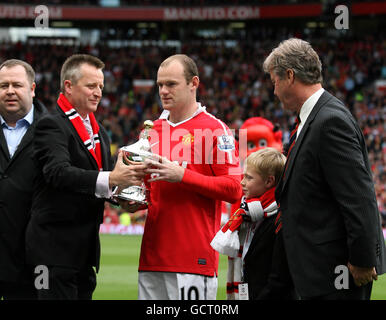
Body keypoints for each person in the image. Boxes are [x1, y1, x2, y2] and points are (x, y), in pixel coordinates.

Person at [263, 38, 386, 300]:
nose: (273, 91)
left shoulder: (329, 121)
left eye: (274, 81)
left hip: (335, 274)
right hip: (317, 271)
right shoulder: (315, 118)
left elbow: (358, 196)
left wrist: (363, 259)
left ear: (289, 75)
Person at [25, 54, 146, 300]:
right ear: (68, 86)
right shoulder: (51, 125)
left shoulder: (99, 130)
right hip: (53, 252)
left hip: (85, 251)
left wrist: (121, 196)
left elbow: (99, 182)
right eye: (91, 86)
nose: (98, 92)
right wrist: (112, 179)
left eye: (101, 86)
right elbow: (57, 173)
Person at [132, 54, 242, 300]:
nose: (163, 91)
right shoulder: (151, 131)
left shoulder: (216, 130)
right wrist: (132, 200)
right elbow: (147, 191)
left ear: (194, 83)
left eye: (171, 84)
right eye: (160, 84)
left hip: (193, 259)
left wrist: (183, 175)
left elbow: (235, 188)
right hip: (152, 258)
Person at [211, 148, 294, 300]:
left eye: (249, 178)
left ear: (269, 181)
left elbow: (279, 278)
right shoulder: (249, 215)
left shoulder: (280, 220)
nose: (242, 182)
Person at [0, 59, 47, 300]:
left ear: (32, 89)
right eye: (3, 85)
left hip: (32, 263)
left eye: (16, 85)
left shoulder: (53, 129)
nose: (9, 91)